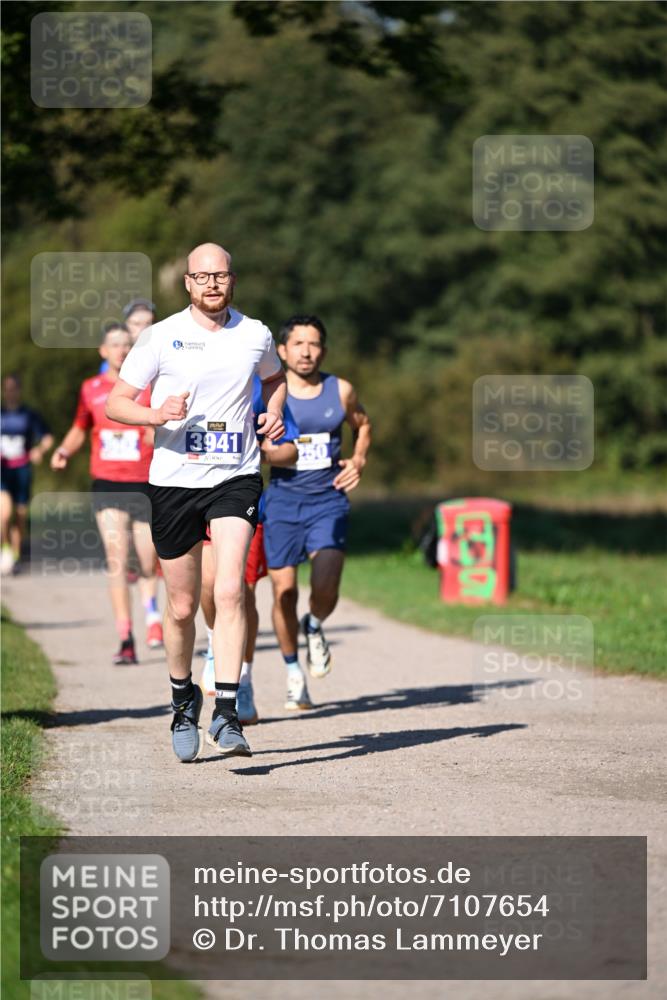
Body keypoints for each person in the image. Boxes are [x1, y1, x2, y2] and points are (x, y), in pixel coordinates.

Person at [105, 243, 286, 763]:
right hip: (174, 481)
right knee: (182, 608)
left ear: (232, 280)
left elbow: (274, 379)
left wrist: (272, 411)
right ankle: (183, 699)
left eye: (221, 276)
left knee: (230, 590)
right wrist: (156, 413)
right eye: (202, 277)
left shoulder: (255, 334)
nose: (212, 284)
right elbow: (119, 402)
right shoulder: (160, 337)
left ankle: (225, 711)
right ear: (188, 283)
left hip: (236, 474)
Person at [264, 314, 372, 710]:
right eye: (298, 344)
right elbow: (257, 439)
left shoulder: (339, 389)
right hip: (283, 500)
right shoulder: (269, 394)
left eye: (314, 344)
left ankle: (315, 624)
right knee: (284, 591)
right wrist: (269, 451)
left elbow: (363, 424)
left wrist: (357, 460)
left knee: (325, 586)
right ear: (282, 350)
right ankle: (294, 672)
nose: (306, 352)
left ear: (323, 350)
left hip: (328, 499)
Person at [51, 323, 163, 663]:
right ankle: (126, 636)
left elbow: (162, 427)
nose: (121, 350)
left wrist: (154, 433)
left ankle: (152, 613)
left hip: (143, 482)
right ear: (103, 351)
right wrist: (65, 451)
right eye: (114, 345)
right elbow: (79, 428)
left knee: (147, 559)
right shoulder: (90, 389)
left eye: (127, 344)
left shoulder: (148, 388)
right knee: (117, 558)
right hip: (107, 483)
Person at [199, 375, 298, 725]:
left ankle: (242, 678)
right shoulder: (187, 373)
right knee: (208, 586)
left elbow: (291, 447)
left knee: (241, 591)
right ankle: (215, 642)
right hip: (194, 497)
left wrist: (269, 449)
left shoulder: (259, 387)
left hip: (242, 502)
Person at [1, 374, 54, 574]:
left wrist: (38, 450)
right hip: (2, 471)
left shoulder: (29, 415)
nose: (10, 392)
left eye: (14, 388)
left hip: (22, 470)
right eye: (7, 388)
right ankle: (5, 548)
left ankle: (15, 555)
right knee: (4, 514)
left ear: (19, 390)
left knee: (21, 515)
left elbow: (47, 437)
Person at [99, 300, 156, 374]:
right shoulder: (113, 363)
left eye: (148, 323)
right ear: (125, 325)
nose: (143, 329)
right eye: (136, 324)